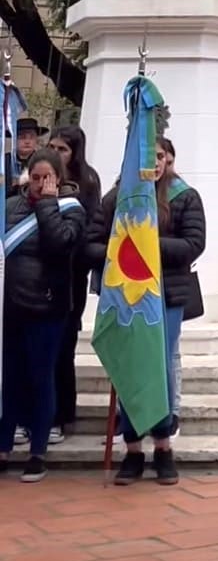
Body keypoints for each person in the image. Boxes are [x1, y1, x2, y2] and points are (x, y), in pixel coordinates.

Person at [88, 137, 206, 485]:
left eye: (159, 157)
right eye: (147, 157)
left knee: (161, 368)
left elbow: (193, 244)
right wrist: (124, 248)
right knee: (129, 368)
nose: (154, 163)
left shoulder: (185, 196)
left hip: (165, 296)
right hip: (127, 297)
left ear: (168, 160)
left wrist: (147, 244)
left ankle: (164, 446)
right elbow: (90, 244)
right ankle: (133, 449)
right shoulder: (117, 199)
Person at [0, 149, 85, 481]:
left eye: (47, 178)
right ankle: (4, 444)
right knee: (9, 378)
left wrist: (49, 203)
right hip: (11, 307)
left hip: (47, 306)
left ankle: (38, 451)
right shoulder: (10, 207)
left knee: (40, 377)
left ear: (59, 179)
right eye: (35, 178)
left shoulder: (71, 210)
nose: (39, 184)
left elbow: (60, 244)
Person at [46, 126, 102, 443]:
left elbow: (89, 234)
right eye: (52, 147)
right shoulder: (40, 178)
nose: (55, 154)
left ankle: (62, 414)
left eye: (63, 149)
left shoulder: (87, 183)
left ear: (75, 152)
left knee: (62, 349)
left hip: (70, 279)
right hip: (40, 279)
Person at [8, 117, 47, 196]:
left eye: (32, 137)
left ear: (36, 139)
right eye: (22, 137)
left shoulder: (43, 161)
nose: (27, 141)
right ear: (14, 139)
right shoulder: (4, 161)